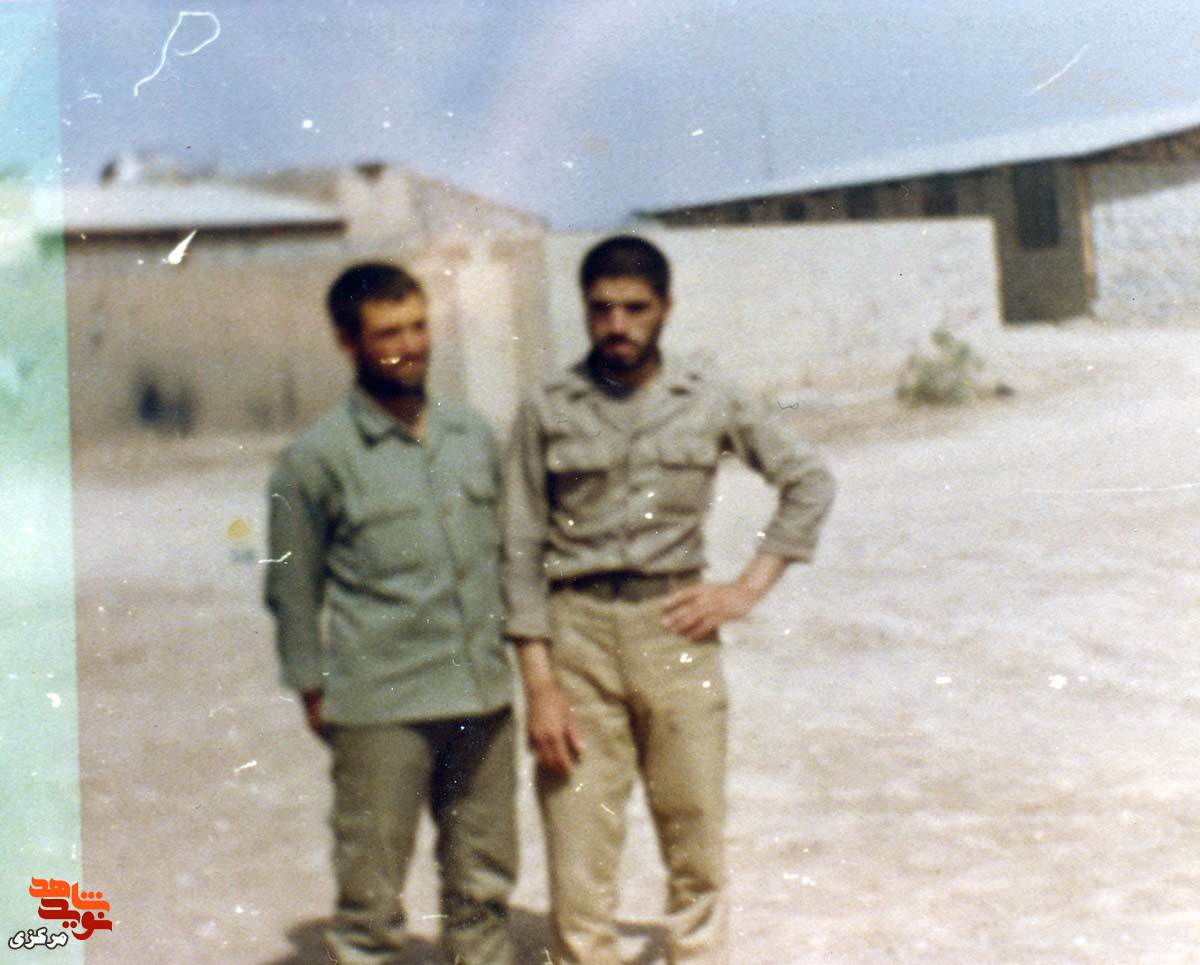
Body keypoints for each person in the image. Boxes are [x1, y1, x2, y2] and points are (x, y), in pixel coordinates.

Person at [502, 235, 835, 964]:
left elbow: (807, 480)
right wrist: (540, 684)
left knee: (695, 833)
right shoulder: (547, 406)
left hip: (675, 630)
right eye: (601, 309)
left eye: (635, 309)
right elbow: (518, 546)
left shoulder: (707, 397)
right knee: (578, 847)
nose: (617, 325)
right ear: (584, 310)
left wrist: (745, 589)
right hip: (577, 635)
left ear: (666, 309)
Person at [264, 262, 516, 965]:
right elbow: (292, 587)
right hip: (382, 704)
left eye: (418, 326)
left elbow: (509, 556)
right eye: (388, 334)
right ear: (348, 342)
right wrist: (312, 687)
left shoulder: (471, 436)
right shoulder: (315, 460)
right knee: (370, 901)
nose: (410, 346)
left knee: (483, 884)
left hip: (481, 697)